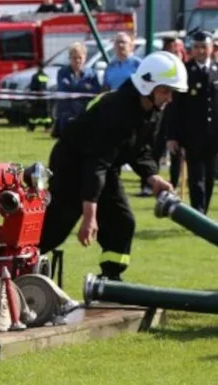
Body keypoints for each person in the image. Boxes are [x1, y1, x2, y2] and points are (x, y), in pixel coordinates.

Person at [39, 52, 187, 280]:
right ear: (148, 86)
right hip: (72, 167)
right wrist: (90, 216)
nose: (170, 98)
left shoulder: (151, 111)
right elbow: (95, 163)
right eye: (166, 91)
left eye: (172, 92)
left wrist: (152, 177)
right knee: (55, 230)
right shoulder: (116, 110)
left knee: (122, 223)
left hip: (103, 167)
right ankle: (8, 267)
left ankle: (110, 280)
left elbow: (139, 149)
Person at [166, 31, 218, 215]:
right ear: (192, 49)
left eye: (204, 47)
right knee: (196, 177)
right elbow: (174, 107)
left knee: (210, 177)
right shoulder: (183, 71)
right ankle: (198, 212)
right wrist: (171, 136)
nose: (200, 51)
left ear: (211, 48)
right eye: (197, 47)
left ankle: (203, 211)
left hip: (215, 135)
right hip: (192, 135)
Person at [55, 43, 100, 137]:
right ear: (69, 58)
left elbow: (96, 92)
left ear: (85, 57)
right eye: (74, 57)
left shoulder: (92, 74)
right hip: (66, 115)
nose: (77, 60)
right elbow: (63, 89)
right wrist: (85, 86)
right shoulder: (62, 72)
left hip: (85, 114)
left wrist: (73, 85)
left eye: (80, 57)